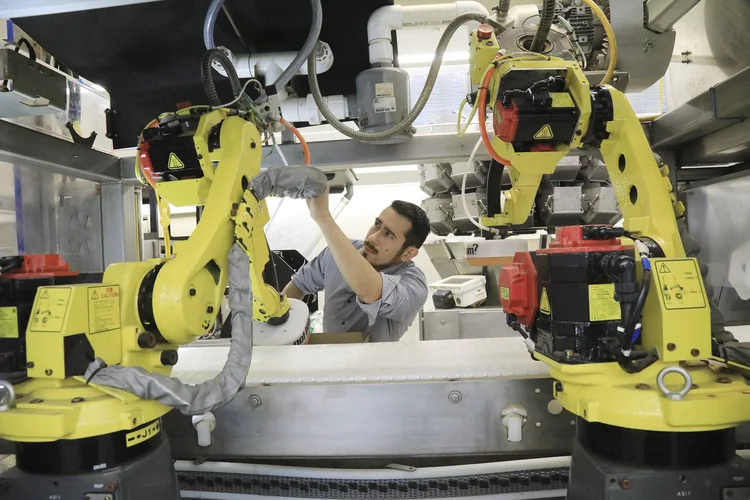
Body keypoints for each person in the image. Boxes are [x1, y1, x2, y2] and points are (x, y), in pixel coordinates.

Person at [283, 186, 430, 342]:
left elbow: (372, 293)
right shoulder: (337, 252)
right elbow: (299, 285)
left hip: (375, 364)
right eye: (377, 224)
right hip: (329, 357)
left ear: (409, 253)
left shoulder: (414, 285)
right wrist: (282, 327)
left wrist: (324, 217)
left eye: (388, 234)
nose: (373, 237)